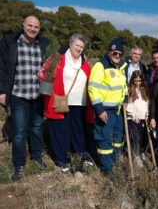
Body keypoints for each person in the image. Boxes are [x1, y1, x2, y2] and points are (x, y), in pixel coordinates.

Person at [0, 15, 50, 181]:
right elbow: (3, 69)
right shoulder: (10, 43)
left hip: (37, 95)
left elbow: (55, 59)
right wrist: (2, 91)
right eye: (30, 25)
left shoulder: (43, 44)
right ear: (23, 25)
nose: (33, 29)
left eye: (36, 27)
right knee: (20, 132)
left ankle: (36, 157)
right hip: (19, 94)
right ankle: (19, 163)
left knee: (36, 128)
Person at [40, 33, 93, 172]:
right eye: (77, 45)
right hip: (62, 100)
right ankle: (61, 159)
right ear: (70, 44)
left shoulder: (84, 62)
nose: (79, 49)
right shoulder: (58, 58)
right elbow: (45, 75)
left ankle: (80, 153)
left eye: (82, 47)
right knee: (60, 130)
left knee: (78, 131)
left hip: (80, 103)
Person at [88, 37, 128, 173]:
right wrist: (99, 110)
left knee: (118, 140)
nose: (117, 56)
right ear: (109, 52)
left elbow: (124, 87)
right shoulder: (100, 66)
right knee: (105, 141)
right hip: (105, 111)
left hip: (118, 111)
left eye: (119, 54)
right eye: (114, 53)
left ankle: (114, 161)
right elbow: (93, 88)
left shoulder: (121, 67)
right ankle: (108, 169)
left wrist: (126, 100)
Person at [126, 70, 149, 167]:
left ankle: (142, 153)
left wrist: (147, 115)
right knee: (135, 137)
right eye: (136, 80)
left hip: (143, 118)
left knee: (143, 137)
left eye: (139, 80)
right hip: (133, 119)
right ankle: (136, 156)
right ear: (132, 80)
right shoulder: (130, 90)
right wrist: (133, 115)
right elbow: (128, 105)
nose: (138, 83)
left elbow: (147, 103)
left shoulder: (144, 90)